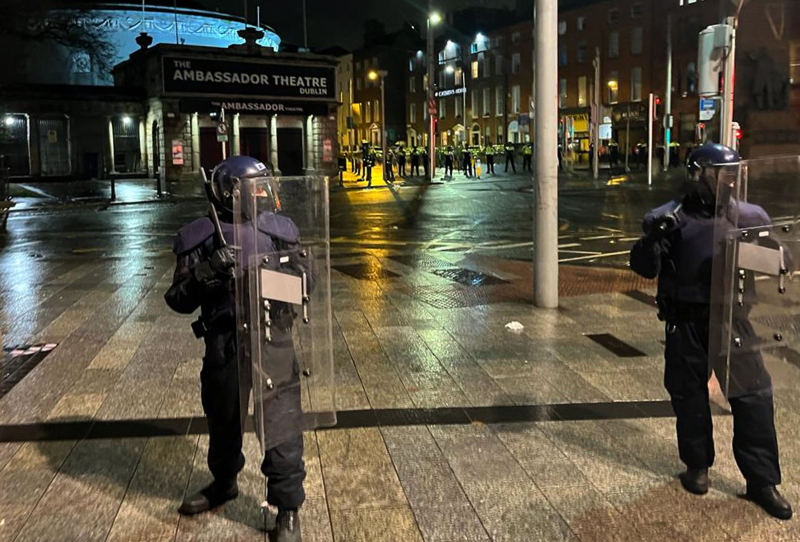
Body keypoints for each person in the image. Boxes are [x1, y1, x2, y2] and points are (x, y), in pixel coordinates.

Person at [629, 143, 792, 521]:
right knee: (689, 398)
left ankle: (761, 480)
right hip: (686, 321)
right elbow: (644, 267)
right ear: (699, 175)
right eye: (721, 174)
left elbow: (782, 263)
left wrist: (756, 249)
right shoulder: (670, 217)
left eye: (734, 174)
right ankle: (697, 464)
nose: (729, 183)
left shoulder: (751, 216)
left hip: (735, 320)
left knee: (753, 398)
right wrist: (653, 238)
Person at [165, 156, 306, 541]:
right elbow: (178, 299)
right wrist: (207, 270)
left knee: (281, 425)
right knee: (223, 418)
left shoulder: (280, 231)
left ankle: (288, 506)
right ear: (229, 192)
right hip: (224, 343)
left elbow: (303, 289)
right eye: (253, 188)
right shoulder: (203, 235)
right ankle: (223, 481)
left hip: (272, 340)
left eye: (264, 186)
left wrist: (272, 279)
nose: (262, 194)